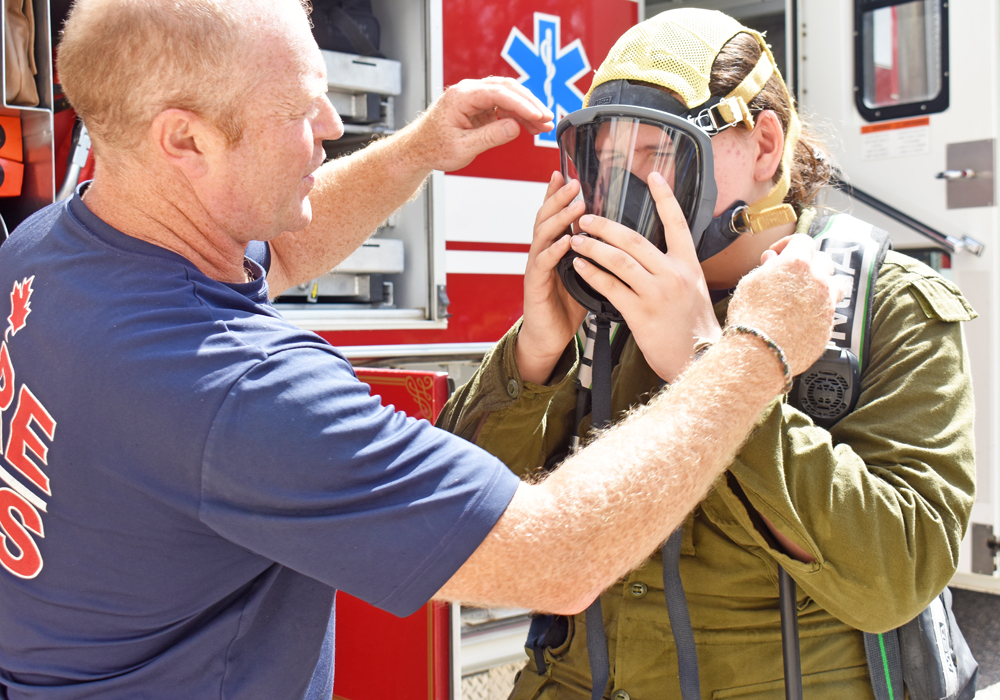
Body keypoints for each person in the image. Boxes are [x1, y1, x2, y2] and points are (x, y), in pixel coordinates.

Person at [0, 1, 840, 699]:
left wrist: (419, 149)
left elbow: (274, 251)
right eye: (300, 110)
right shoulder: (240, 394)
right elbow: (560, 555)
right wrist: (753, 351)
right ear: (183, 141)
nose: (332, 127)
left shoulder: (49, 252)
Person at [438, 8, 977, 700]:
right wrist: (534, 355)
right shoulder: (598, 310)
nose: (623, 191)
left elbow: (899, 574)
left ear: (765, 144)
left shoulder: (884, 303)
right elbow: (449, 529)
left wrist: (712, 365)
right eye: (607, 160)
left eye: (656, 154)